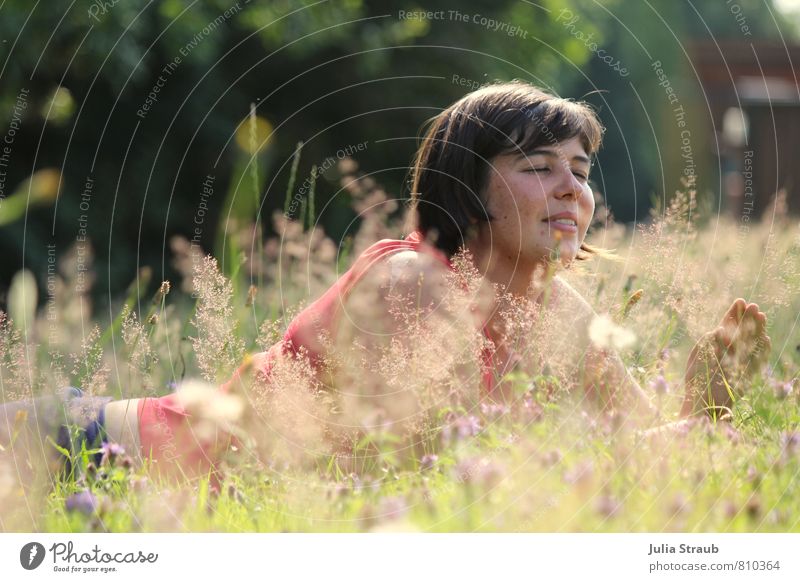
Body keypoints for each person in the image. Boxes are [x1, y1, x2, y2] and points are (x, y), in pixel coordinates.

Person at [0, 81, 771, 484]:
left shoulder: (560, 311)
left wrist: (708, 407)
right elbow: (454, 469)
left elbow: (637, 456)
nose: (572, 188)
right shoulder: (415, 282)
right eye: (539, 168)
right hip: (93, 454)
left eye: (582, 170)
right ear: (466, 189)